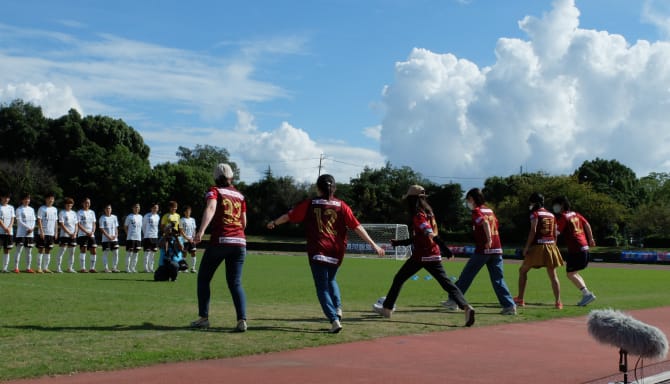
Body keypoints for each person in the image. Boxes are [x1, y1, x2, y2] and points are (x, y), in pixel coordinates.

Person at [267, 174, 386, 333]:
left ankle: (333, 319)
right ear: (334, 188)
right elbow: (357, 226)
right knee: (331, 280)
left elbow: (288, 216)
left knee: (321, 287)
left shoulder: (310, 204)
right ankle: (338, 308)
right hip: (337, 251)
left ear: (318, 188)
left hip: (318, 249)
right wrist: (373, 245)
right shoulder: (342, 206)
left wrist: (274, 223)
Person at [374, 185, 475, 327]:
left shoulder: (418, 215)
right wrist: (401, 243)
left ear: (412, 199)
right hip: (434, 255)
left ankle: (387, 309)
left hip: (421, 256)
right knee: (447, 284)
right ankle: (466, 307)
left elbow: (428, 233)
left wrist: (445, 248)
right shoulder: (429, 212)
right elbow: (421, 236)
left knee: (399, 278)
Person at [191, 163, 248, 332]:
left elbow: (211, 208)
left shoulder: (215, 191)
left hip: (221, 240)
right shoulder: (240, 195)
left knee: (203, 279)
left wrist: (201, 230)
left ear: (216, 178)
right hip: (239, 242)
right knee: (235, 283)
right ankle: (242, 320)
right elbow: (244, 223)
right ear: (232, 177)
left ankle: (204, 318)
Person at [442, 188, 516, 315]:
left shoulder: (477, 211)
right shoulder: (490, 211)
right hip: (497, 250)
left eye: (468, 199)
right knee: (498, 279)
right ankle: (509, 306)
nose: (468, 202)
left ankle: (454, 300)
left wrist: (488, 240)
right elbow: (495, 225)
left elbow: (485, 223)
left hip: (484, 250)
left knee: (467, 275)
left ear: (472, 199)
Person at [515, 192, 565, 309]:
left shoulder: (535, 214)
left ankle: (520, 299)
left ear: (534, 202)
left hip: (537, 246)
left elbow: (533, 231)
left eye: (531, 202)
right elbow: (555, 233)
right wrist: (554, 247)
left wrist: (526, 247)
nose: (530, 205)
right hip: (551, 245)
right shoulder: (552, 215)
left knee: (523, 271)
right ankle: (558, 302)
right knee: (553, 275)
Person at [552, 195, 597, 306]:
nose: (555, 207)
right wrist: (590, 238)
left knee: (570, 274)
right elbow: (587, 224)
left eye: (556, 204)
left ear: (561, 205)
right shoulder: (576, 214)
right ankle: (586, 294)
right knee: (573, 273)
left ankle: (587, 294)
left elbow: (556, 232)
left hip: (576, 248)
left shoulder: (563, 217)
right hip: (584, 247)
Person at [14, 193, 37, 273]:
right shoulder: (19, 209)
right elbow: (19, 221)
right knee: (18, 251)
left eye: (28, 199)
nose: (27, 200)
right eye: (26, 199)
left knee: (29, 252)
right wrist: (28, 228)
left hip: (30, 234)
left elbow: (34, 220)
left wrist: (32, 228)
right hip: (21, 233)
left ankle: (28, 268)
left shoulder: (31, 209)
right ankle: (16, 268)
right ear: (22, 200)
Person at [36, 192, 58, 273]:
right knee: (41, 249)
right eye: (49, 198)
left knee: (48, 250)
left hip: (51, 233)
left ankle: (45, 268)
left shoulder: (55, 209)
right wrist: (41, 231)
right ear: (46, 199)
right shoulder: (42, 208)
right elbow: (39, 220)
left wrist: (56, 232)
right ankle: (39, 268)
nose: (51, 200)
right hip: (43, 233)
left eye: (52, 198)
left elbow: (56, 221)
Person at [56, 197, 79, 273]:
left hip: (73, 235)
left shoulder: (74, 213)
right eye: (67, 204)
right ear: (65, 205)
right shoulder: (62, 212)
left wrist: (75, 233)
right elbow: (62, 224)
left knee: (72, 252)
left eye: (70, 204)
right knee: (62, 251)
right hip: (64, 235)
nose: (69, 205)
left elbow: (76, 224)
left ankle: (70, 268)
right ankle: (58, 268)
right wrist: (69, 233)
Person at [76, 197, 98, 272]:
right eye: (85, 203)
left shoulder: (92, 212)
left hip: (91, 234)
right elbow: (78, 224)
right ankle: (83, 268)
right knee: (83, 249)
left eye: (88, 203)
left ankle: (92, 268)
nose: (87, 204)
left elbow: (94, 223)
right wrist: (86, 232)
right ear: (83, 203)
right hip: (82, 234)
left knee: (94, 250)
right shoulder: (79, 212)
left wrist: (93, 231)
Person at [99, 204, 120, 273]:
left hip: (114, 239)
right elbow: (101, 228)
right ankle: (106, 268)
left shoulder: (114, 217)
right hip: (106, 239)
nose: (108, 210)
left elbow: (116, 227)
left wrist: (116, 235)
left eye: (109, 208)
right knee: (106, 253)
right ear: (105, 210)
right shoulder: (102, 218)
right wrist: (108, 236)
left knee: (116, 253)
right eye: (107, 208)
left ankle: (114, 267)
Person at [123, 203, 143, 273]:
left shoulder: (141, 217)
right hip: (131, 237)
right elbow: (125, 226)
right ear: (133, 208)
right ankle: (127, 268)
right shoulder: (129, 216)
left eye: (138, 207)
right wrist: (128, 234)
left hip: (138, 238)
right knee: (129, 253)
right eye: (135, 207)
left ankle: (133, 268)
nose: (137, 209)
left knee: (136, 254)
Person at [142, 203, 160, 273]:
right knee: (147, 253)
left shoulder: (158, 216)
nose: (156, 209)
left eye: (157, 208)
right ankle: (145, 268)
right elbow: (143, 226)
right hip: (148, 236)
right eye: (155, 207)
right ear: (151, 208)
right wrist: (145, 234)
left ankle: (151, 267)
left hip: (155, 236)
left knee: (153, 253)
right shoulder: (147, 216)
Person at [179, 205, 198, 273]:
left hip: (191, 240)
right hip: (184, 240)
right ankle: (183, 268)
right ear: (184, 212)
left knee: (194, 253)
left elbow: (194, 229)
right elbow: (181, 231)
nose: (188, 212)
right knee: (184, 253)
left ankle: (193, 268)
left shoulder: (193, 220)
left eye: (189, 211)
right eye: (187, 211)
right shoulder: (181, 220)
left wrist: (193, 237)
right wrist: (187, 238)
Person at [0, 192, 15, 273]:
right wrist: (5, 228)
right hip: (1, 232)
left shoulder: (11, 208)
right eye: (5, 197)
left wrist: (9, 227)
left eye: (8, 198)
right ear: (1, 198)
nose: (6, 199)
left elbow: (13, 218)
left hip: (9, 232)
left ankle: (5, 268)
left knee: (7, 250)